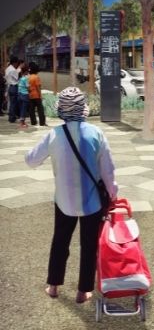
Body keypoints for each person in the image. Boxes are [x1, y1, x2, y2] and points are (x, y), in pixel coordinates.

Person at [25, 87, 118, 303]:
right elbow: (108, 171)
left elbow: (31, 160)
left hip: (64, 200)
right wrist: (112, 194)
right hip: (93, 202)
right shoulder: (96, 133)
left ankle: (54, 286)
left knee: (60, 241)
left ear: (61, 110)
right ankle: (83, 290)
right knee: (89, 245)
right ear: (82, 108)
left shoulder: (54, 135)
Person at [28, 62, 46, 126]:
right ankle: (42, 122)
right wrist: (40, 95)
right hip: (37, 95)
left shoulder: (29, 77)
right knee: (40, 110)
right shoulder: (36, 77)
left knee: (31, 110)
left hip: (30, 95)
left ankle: (33, 122)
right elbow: (38, 87)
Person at [5, 56, 20, 123]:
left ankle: (11, 117)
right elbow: (16, 78)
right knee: (14, 103)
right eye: (17, 63)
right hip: (14, 87)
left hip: (9, 87)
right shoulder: (13, 70)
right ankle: (12, 118)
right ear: (15, 62)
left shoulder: (7, 69)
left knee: (11, 103)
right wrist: (18, 70)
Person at [17, 62, 30, 129]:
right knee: (24, 109)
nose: (28, 72)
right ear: (26, 71)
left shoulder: (20, 78)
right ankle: (22, 123)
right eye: (27, 71)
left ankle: (22, 122)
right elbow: (28, 87)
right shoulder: (25, 79)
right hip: (25, 95)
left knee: (21, 109)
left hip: (19, 95)